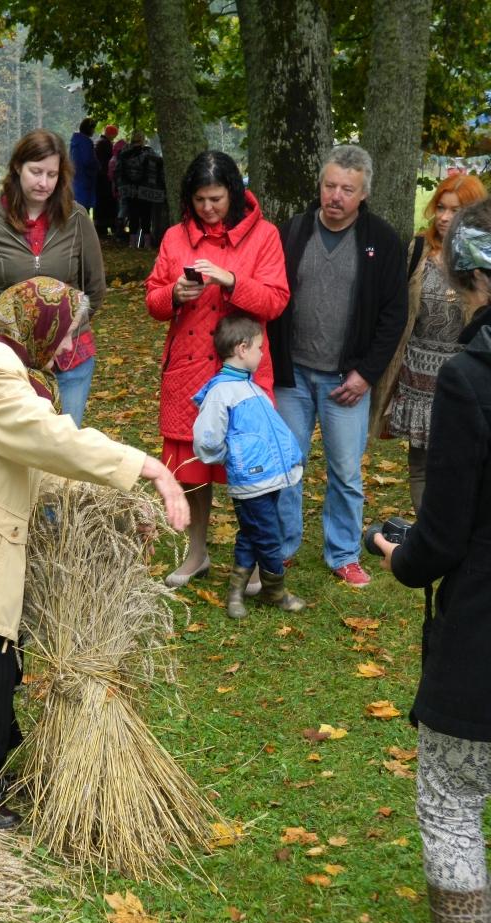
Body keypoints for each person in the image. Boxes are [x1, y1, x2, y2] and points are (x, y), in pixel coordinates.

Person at [0, 276, 190, 829]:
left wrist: (117, 512)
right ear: (41, 324)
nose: (68, 349)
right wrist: (147, 466)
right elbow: (47, 439)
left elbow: (35, 459)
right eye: (67, 334)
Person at [375, 198, 491, 923]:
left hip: (481, 632)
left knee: (451, 800)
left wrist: (400, 556)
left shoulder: (470, 378)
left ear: (466, 274)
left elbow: (442, 536)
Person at [145, 149, 290, 589]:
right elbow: (153, 301)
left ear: (234, 194)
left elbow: (276, 301)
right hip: (188, 371)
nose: (207, 208)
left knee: (250, 469)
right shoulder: (175, 237)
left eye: (216, 199)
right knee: (192, 468)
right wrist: (174, 294)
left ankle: (257, 559)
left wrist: (231, 281)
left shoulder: (264, 236)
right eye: (199, 200)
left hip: (242, 373)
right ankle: (197, 553)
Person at [268, 144, 408, 587]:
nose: (336, 196)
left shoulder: (382, 241)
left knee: (346, 472)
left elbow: (394, 315)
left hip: (346, 380)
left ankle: (344, 552)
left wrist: (366, 373)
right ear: (320, 185)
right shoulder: (292, 233)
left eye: (347, 189)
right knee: (286, 464)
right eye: (330, 186)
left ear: (363, 194)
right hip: (291, 374)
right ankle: (282, 546)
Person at [0, 129, 106, 427]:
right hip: (9, 362)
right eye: (36, 172)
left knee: (63, 445)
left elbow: (95, 289)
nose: (44, 183)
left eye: (52, 174)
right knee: (16, 447)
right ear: (17, 167)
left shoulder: (77, 219)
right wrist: (5, 330)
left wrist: (65, 330)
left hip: (71, 359)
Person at [370, 173, 488, 510]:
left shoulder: (484, 259)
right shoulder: (419, 249)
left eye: (456, 210)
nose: (445, 217)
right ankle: (427, 532)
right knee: (421, 463)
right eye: (441, 208)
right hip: (419, 372)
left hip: (464, 372)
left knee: (462, 462)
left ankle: (457, 530)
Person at [192, 314, 304, 618]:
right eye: (259, 347)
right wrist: (233, 457)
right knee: (269, 536)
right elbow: (207, 439)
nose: (262, 353)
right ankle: (275, 592)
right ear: (242, 349)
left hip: (268, 478)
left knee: (251, 535)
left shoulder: (250, 388)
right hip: (251, 482)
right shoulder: (222, 392)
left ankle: (235, 593)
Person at [116, 131, 165, 248]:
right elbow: (160, 165)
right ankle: (147, 244)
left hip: (129, 190)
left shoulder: (124, 153)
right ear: (143, 140)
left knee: (133, 215)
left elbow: (118, 171)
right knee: (146, 216)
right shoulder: (149, 153)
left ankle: (132, 243)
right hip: (146, 190)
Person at [69, 117, 98, 212]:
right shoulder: (86, 142)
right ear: (89, 129)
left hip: (75, 182)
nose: (94, 131)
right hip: (85, 181)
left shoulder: (75, 142)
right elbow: (87, 161)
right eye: (93, 128)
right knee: (83, 211)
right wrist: (97, 166)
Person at [94, 124, 118, 237]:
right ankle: (106, 226)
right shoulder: (106, 144)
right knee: (107, 203)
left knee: (100, 204)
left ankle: (100, 227)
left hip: (99, 178)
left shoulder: (99, 143)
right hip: (105, 178)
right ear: (111, 134)